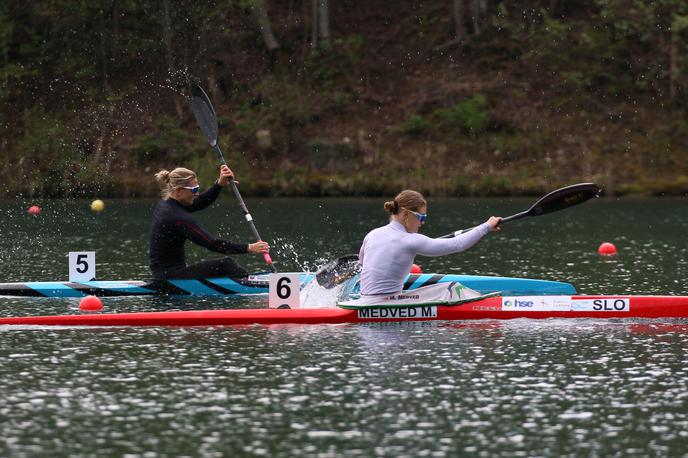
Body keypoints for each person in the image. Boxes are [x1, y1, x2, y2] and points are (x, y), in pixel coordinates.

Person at [358, 189, 501, 296]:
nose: (423, 222)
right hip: (386, 304)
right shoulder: (410, 240)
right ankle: (488, 303)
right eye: (421, 217)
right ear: (406, 214)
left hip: (364, 301)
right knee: (450, 288)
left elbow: (363, 264)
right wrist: (486, 226)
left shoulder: (372, 234)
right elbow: (458, 245)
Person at [149, 165, 269, 279]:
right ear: (179, 190)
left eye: (197, 188)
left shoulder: (166, 205)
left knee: (224, 266)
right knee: (226, 264)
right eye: (194, 189)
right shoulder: (178, 218)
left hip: (164, 273)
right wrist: (249, 248)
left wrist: (219, 184)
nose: (196, 193)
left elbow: (200, 201)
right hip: (169, 277)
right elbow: (212, 244)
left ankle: (246, 281)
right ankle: (253, 286)